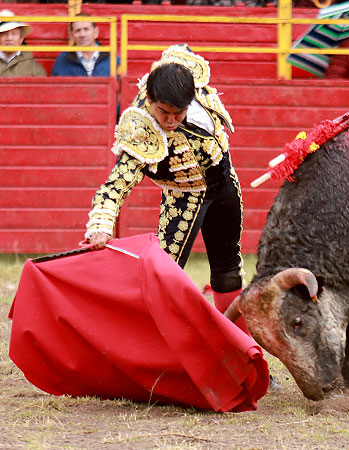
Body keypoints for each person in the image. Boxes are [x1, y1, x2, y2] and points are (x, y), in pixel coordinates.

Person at [85, 44, 248, 329]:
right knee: (164, 279)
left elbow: (178, 50)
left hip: (224, 182)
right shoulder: (141, 129)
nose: (171, 121)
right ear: (150, 99)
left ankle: (241, 356)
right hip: (184, 198)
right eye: (164, 113)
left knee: (228, 271)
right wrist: (101, 224)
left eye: (179, 113)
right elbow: (117, 182)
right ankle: (151, 355)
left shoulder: (187, 79)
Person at [51, 14, 118, 76]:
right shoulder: (63, 58)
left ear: (96, 32)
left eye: (86, 29)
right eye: (77, 30)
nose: (82, 34)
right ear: (71, 35)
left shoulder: (111, 58)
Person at [0, 9, 46, 77]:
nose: (9, 38)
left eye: (14, 34)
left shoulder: (35, 69)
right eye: (4, 34)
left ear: (21, 39)